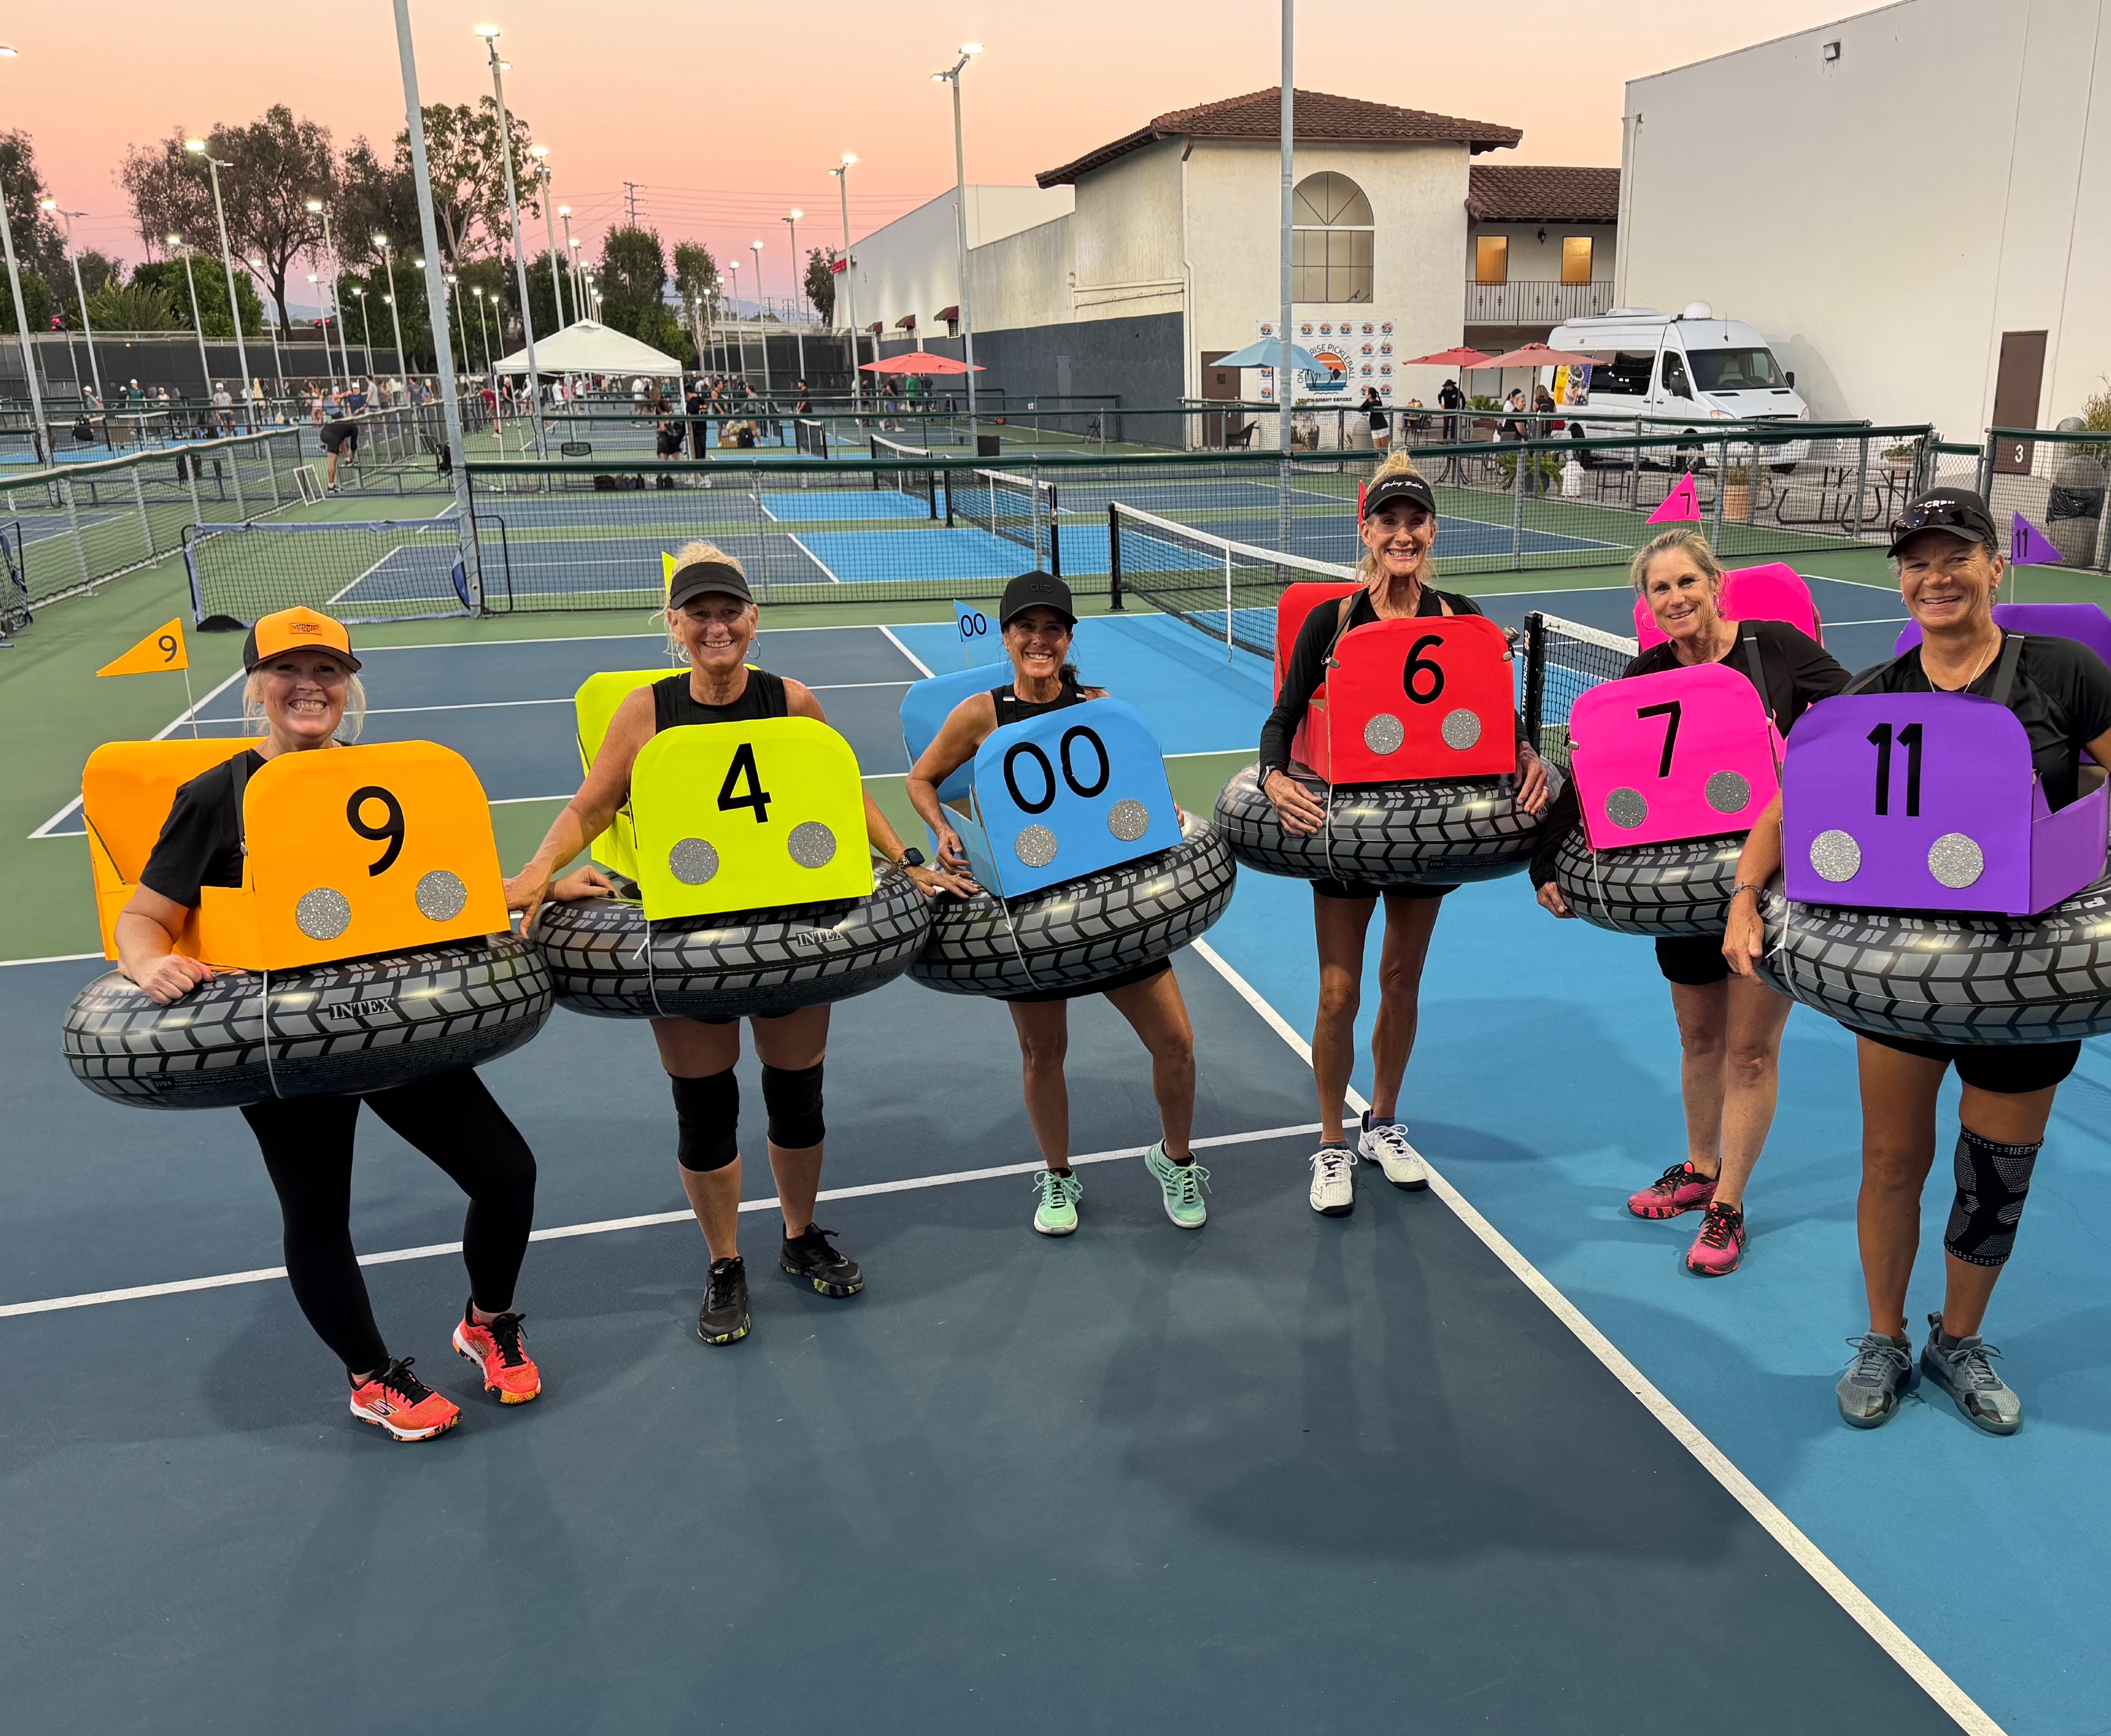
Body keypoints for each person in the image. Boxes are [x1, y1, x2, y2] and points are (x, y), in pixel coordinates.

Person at [1723, 490, 2111, 1434]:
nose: (1935, 576)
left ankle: (1958, 1337)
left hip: (2031, 974)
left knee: (1995, 1170)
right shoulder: (1869, 695)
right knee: (1891, 1156)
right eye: (1916, 561)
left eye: (1956, 556)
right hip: (1903, 973)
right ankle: (1882, 1337)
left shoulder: (2063, 673)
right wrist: (1745, 897)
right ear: (1900, 579)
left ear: (1995, 568)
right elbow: (1789, 811)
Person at [113, 607, 559, 1442]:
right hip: (285, 1045)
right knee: (318, 1216)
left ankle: (485, 1322)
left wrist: (535, 886)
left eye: (328, 671)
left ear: (348, 686)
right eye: (289, 670)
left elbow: (436, 886)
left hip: (395, 1028)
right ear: (256, 687)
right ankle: (371, 1377)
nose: (310, 687)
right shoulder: (219, 793)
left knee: (507, 1173)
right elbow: (143, 914)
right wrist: (147, 962)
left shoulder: (380, 776)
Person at [505, 544, 967, 1345]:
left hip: (790, 925)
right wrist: (538, 870)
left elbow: (841, 791)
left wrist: (907, 863)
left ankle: (798, 1235)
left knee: (796, 1097)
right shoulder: (646, 712)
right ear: (675, 624)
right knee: (706, 1108)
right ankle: (724, 1262)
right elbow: (592, 804)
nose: (716, 626)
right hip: (684, 932)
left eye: (730, 612)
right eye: (700, 614)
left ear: (753, 619)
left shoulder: (792, 701)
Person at [1533, 530, 1848, 1275]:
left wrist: (1800, 767)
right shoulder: (1644, 673)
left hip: (1767, 881)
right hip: (1677, 891)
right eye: (1659, 589)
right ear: (1647, 604)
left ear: (1715, 583)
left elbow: (1854, 718)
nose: (1674, 599)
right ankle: (1698, 1165)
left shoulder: (1775, 648)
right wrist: (1544, 857)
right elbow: (1591, 773)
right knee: (1699, 1041)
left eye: (1685, 583)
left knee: (1747, 1047)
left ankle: (1728, 1202)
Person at [1258, 451, 1552, 1215]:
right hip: (1347, 829)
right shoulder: (1333, 620)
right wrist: (1271, 775)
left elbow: (1499, 721)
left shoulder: (1458, 617)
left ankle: (1380, 1123)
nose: (1401, 533)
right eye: (1387, 520)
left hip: (1430, 827)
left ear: (1432, 530)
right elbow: (1284, 715)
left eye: (1413, 520)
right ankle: (1329, 1141)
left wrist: (1527, 755)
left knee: (1400, 981)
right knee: (1336, 992)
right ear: (1366, 530)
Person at [903, 572, 1210, 1239]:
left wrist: (1163, 809)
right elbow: (921, 778)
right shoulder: (980, 714)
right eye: (1025, 628)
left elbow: (1141, 784)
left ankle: (1176, 1158)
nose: (1038, 640)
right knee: (1044, 1053)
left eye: (1052, 629)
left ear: (1068, 639)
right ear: (1006, 635)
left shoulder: (1099, 705)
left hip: (1112, 907)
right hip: (1030, 921)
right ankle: (1058, 1174)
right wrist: (944, 830)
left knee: (1177, 1044)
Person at [318, 413, 360, 493]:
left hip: (323, 433)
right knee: (332, 461)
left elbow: (342, 441)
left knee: (340, 442)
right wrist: (353, 457)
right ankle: (331, 486)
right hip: (332, 437)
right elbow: (353, 446)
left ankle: (347, 459)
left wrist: (348, 458)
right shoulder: (354, 428)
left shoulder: (343, 425)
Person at [1360, 385, 1390, 453]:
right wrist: (1368, 400)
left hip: (1382, 428)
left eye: (1367, 393)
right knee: (1377, 450)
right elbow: (1361, 409)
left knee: (1385, 449)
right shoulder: (1369, 403)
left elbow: (1366, 406)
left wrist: (1368, 401)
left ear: (1370, 395)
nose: (1366, 395)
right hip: (1374, 429)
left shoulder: (1378, 403)